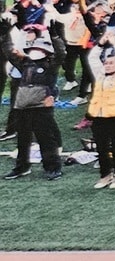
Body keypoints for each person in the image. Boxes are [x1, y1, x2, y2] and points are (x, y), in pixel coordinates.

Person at [1, 19, 66, 181]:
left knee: (46, 139)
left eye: (38, 49)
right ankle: (22, 167)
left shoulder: (50, 66)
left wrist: (55, 36)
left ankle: (52, 168)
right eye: (33, 49)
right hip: (22, 107)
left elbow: (61, 53)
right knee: (22, 140)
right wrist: (5, 35)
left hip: (41, 107)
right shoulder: (24, 64)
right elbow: (9, 52)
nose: (35, 51)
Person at [86, 35, 115, 189]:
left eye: (111, 63)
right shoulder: (100, 75)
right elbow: (92, 58)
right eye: (106, 63)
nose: (107, 65)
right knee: (101, 148)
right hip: (98, 117)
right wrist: (100, 44)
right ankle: (105, 176)